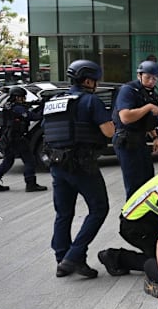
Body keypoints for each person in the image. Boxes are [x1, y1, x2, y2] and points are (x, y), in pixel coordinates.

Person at [45, 60, 115, 278]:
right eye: (95, 80)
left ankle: (62, 259)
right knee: (99, 208)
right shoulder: (90, 101)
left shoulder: (55, 101)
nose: (96, 84)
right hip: (82, 165)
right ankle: (74, 256)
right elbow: (109, 131)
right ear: (88, 81)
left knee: (63, 213)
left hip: (57, 164)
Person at [113, 60, 158, 199]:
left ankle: (145, 210)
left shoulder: (149, 93)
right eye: (148, 77)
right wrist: (148, 107)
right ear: (139, 75)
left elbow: (147, 119)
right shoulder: (128, 90)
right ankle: (131, 211)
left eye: (155, 78)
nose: (151, 81)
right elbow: (125, 117)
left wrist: (155, 137)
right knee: (134, 183)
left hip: (140, 139)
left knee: (148, 179)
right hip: (126, 140)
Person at [0, 87, 46, 192]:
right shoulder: (17, 108)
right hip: (16, 139)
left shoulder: (8, 106)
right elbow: (34, 117)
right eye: (22, 97)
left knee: (8, 161)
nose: (24, 99)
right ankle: (31, 184)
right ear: (17, 97)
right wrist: (43, 108)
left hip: (7, 138)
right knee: (29, 160)